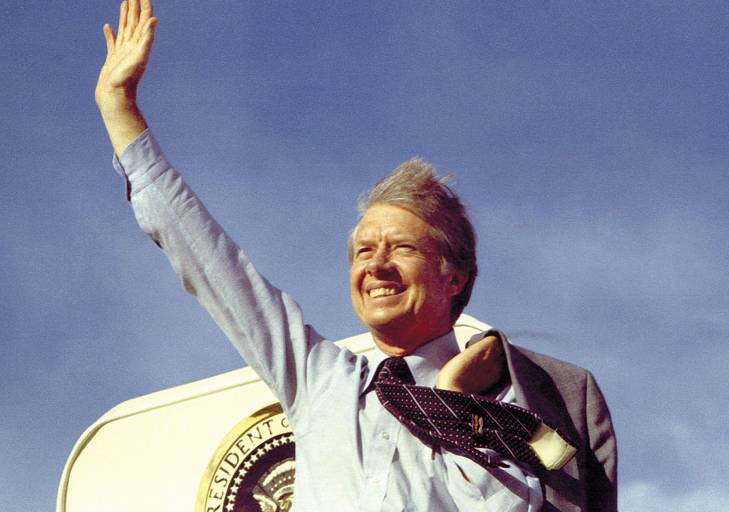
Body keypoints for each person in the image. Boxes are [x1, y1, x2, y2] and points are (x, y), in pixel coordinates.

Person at [95, 1, 617, 511]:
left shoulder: (510, 400)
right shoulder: (322, 381)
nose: (376, 265)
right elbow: (214, 267)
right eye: (364, 250)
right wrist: (120, 111)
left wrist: (453, 401)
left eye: (402, 247)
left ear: (453, 276)